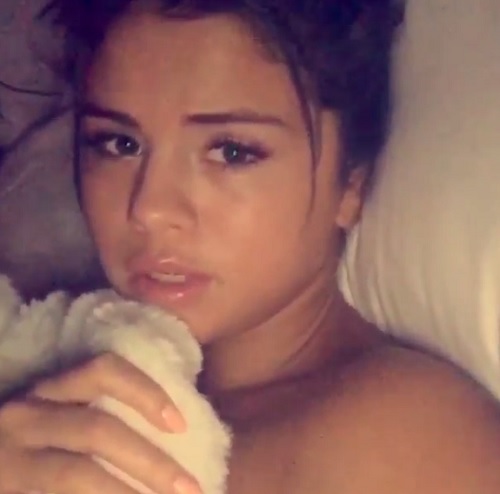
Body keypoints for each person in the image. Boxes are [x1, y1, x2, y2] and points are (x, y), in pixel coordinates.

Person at [1, 1, 500, 493]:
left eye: (232, 152)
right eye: (117, 144)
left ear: (350, 184)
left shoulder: (406, 439)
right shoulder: (57, 365)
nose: (150, 208)